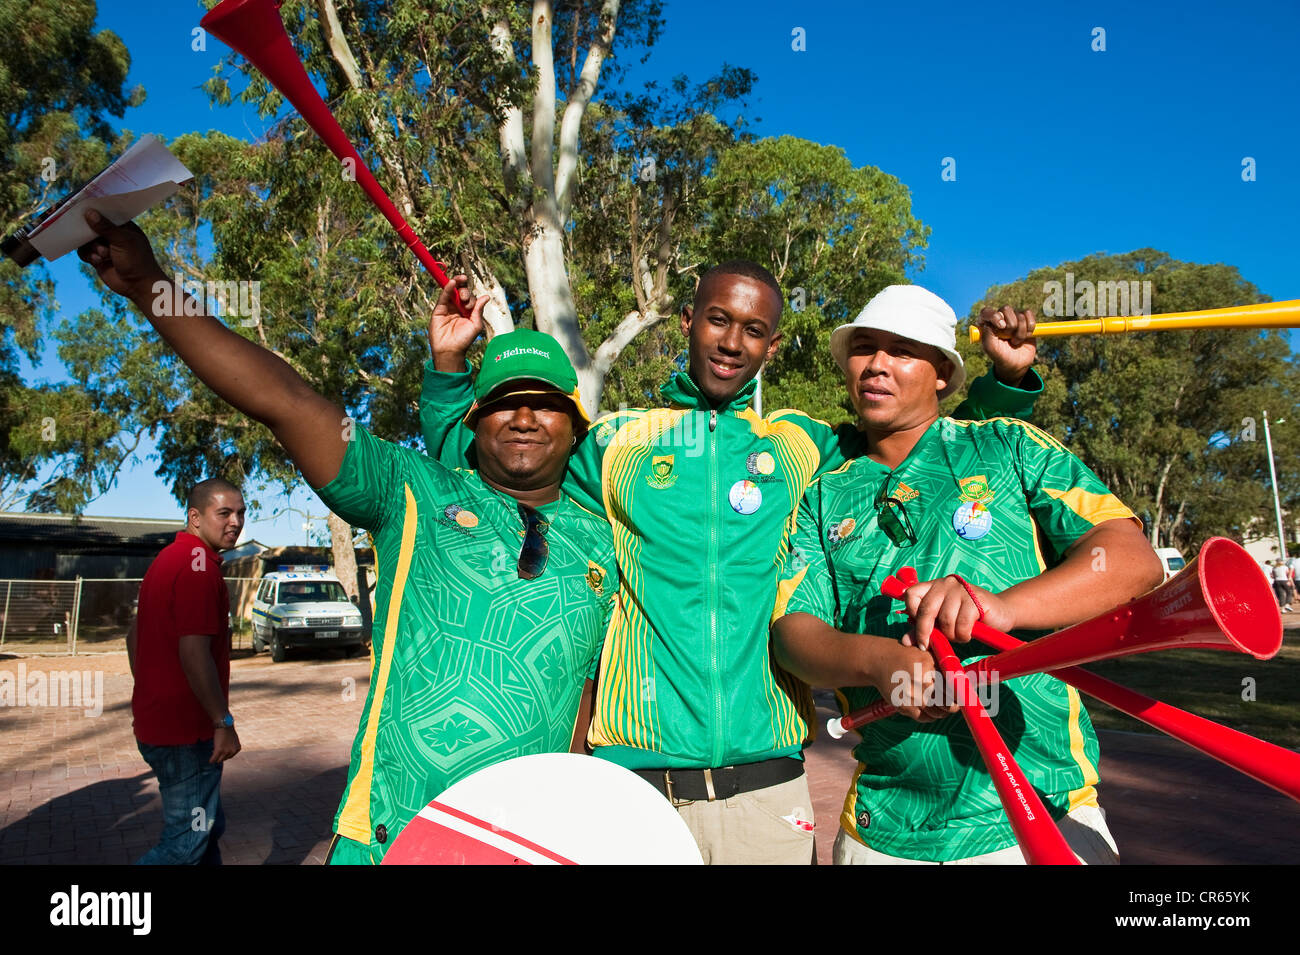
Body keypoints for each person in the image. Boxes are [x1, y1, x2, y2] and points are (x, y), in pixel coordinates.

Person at [419, 261, 1043, 863]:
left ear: (771, 347)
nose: (732, 342)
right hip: (638, 788)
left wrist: (1004, 387)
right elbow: (494, 475)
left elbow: (933, 452)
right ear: (688, 321)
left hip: (769, 791)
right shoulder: (615, 442)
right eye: (719, 320)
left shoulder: (805, 443)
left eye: (754, 330)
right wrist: (448, 370)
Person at [79, 211, 619, 865]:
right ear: (476, 422)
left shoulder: (602, 541)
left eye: (548, 401)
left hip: (529, 844)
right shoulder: (414, 492)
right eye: (505, 400)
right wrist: (150, 286)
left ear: (576, 424)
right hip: (389, 837)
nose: (526, 415)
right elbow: (286, 400)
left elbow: (587, 699)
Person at [770, 284, 1165, 864]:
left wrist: (1002, 608)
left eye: (903, 351)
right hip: (880, 832)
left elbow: (1132, 560)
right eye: (865, 348)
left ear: (941, 375)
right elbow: (793, 633)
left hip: (1039, 816)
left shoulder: (1008, 445)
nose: (877, 364)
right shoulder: (822, 493)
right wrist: (878, 663)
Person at [129, 477, 245, 865]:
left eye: (241, 513)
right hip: (186, 732)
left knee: (206, 829)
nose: (235, 521)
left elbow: (133, 637)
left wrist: (153, 688)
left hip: (161, 723)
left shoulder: (170, 559)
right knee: (186, 843)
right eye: (224, 513)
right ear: (195, 517)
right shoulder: (198, 568)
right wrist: (221, 721)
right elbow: (195, 652)